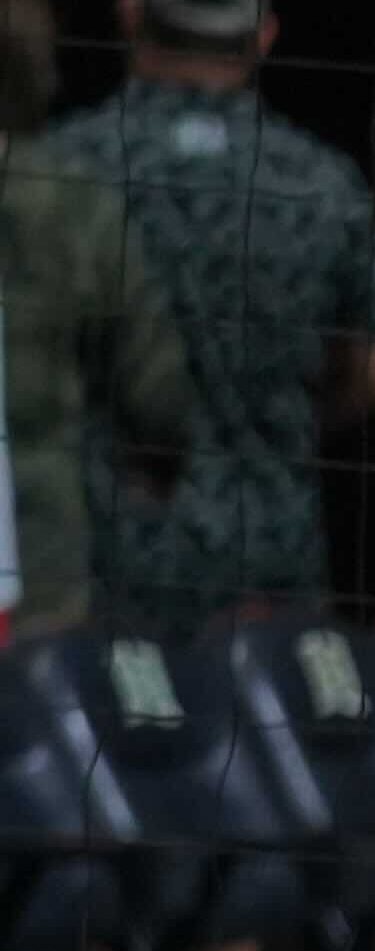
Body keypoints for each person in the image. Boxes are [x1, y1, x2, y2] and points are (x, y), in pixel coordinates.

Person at [51, 0, 375, 635]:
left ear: (131, 15)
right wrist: (282, 421)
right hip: (267, 575)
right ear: (265, 36)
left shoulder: (62, 167)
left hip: (102, 565)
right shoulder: (323, 182)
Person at [0, 98, 184, 632]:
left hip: (34, 573)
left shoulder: (78, 190)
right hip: (46, 572)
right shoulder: (73, 198)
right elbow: (159, 401)